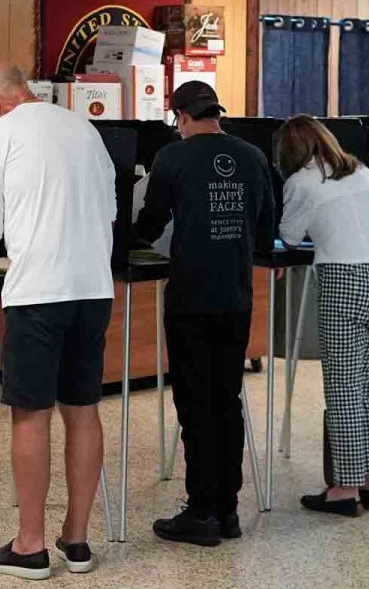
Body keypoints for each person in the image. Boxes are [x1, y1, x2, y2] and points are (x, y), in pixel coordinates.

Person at [0, 62, 116, 580]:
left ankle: (29, 545)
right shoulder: (85, 127)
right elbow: (110, 212)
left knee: (30, 414)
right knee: (83, 410)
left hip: (37, 294)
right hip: (94, 289)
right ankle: (76, 541)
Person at [135, 81, 274, 547]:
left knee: (195, 406)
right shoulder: (254, 157)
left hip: (190, 298)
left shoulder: (172, 158)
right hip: (235, 299)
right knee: (226, 401)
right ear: (217, 112)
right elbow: (264, 233)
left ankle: (201, 513)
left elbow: (151, 222)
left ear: (180, 117)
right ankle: (228, 511)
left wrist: (119, 243)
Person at [276, 115, 369, 516]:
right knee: (363, 383)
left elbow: (290, 237)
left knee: (342, 389)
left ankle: (344, 489)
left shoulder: (300, 182)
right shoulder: (360, 170)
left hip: (345, 279)